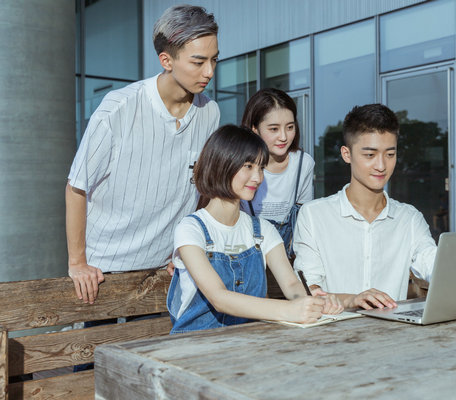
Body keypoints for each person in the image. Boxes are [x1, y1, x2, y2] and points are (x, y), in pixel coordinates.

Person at [293, 104, 456, 310]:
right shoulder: (314, 215)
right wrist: (354, 299)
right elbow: (309, 291)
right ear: (347, 154)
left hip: (394, 338)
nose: (381, 165)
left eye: (390, 154)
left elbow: (436, 265)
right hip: (330, 340)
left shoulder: (409, 218)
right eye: (370, 154)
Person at [66, 5, 220, 304]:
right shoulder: (117, 108)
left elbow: (202, 189)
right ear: (166, 60)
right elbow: (76, 187)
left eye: (214, 60)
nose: (209, 71)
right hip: (103, 273)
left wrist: (186, 249)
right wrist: (77, 263)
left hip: (166, 272)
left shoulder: (210, 112)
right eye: (199, 61)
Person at [167, 125, 343, 333]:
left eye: (261, 168)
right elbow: (219, 298)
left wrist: (313, 301)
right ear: (222, 164)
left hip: (250, 342)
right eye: (249, 166)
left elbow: (292, 286)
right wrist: (288, 310)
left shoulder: (263, 231)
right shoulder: (191, 228)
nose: (258, 177)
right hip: (193, 345)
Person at [240, 88, 314, 258]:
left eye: (290, 127)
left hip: (287, 258)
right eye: (274, 129)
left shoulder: (303, 163)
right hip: (246, 258)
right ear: (254, 129)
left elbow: (305, 219)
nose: (283, 137)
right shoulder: (239, 164)